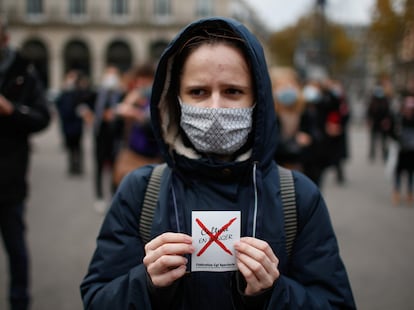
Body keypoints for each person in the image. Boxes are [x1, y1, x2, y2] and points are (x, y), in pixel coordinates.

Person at [81, 17, 356, 309]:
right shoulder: (140, 192)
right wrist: (146, 284)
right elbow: (98, 299)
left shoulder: (298, 197)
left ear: (257, 100)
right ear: (175, 100)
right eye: (198, 92)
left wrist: (273, 293)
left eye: (232, 91)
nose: (215, 107)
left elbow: (334, 303)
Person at [0, 19, 51, 310]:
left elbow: (42, 117)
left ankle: (20, 301)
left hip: (10, 178)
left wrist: (12, 110)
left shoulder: (23, 72)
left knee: (16, 246)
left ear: (4, 39)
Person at [112, 63, 162, 188]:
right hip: (131, 155)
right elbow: (116, 126)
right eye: (138, 79)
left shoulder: (159, 101)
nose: (140, 84)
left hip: (151, 161)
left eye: (144, 80)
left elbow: (156, 129)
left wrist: (137, 115)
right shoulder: (135, 97)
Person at [91, 65, 124, 213]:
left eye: (114, 74)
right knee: (99, 166)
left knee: (114, 166)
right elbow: (86, 106)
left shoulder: (121, 94)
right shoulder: (98, 93)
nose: (111, 77)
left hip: (115, 137)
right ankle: (99, 196)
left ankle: (112, 195)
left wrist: (115, 114)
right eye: (109, 74)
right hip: (100, 136)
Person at [269, 66, 311, 171]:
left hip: (300, 165)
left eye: (290, 84)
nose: (287, 88)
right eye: (280, 85)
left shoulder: (305, 111)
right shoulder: (268, 113)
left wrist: (308, 138)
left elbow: (315, 134)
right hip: (277, 165)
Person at [55, 69, 95, 176]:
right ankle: (72, 166)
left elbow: (88, 100)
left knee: (78, 146)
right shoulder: (63, 92)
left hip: (77, 125)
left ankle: (79, 166)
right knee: (70, 147)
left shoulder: (79, 92)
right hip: (67, 125)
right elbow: (58, 104)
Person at [390, 95, 414, 206]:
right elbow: (392, 132)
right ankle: (396, 192)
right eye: (407, 108)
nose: (409, 111)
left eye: (411, 109)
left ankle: (409, 193)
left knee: (410, 174)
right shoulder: (399, 119)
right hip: (401, 151)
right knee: (398, 173)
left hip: (411, 152)